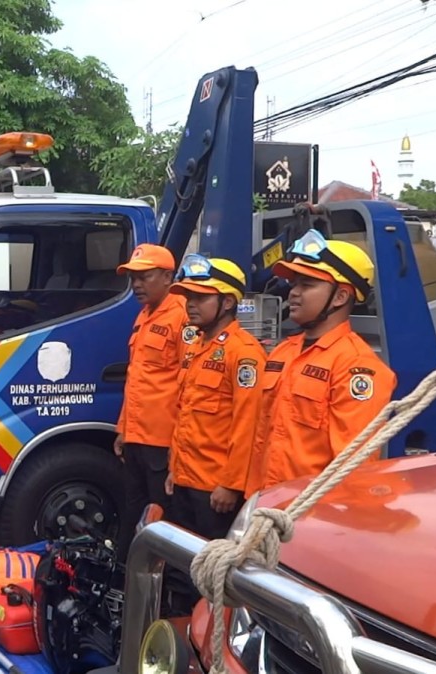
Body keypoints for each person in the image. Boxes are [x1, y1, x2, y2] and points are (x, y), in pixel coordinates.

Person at [246, 230, 397, 496]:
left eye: (307, 284)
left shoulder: (356, 365)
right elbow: (261, 439)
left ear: (340, 297)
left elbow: (352, 465)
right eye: (294, 284)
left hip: (310, 516)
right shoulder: (283, 352)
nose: (293, 293)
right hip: (265, 505)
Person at [161, 256, 266, 615]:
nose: (190, 303)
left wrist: (231, 484)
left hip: (214, 490)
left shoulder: (244, 352)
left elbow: (247, 423)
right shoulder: (195, 348)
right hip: (187, 479)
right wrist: (175, 468)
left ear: (227, 302)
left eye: (201, 296)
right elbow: (185, 415)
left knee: (212, 575)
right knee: (182, 569)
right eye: (187, 296)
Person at [113, 244, 192, 549]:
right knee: (134, 514)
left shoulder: (182, 317)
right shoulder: (144, 316)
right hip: (137, 438)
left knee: (163, 521)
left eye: (145, 277)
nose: (137, 285)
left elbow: (189, 385)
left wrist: (179, 445)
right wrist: (123, 428)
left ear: (168, 276)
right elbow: (136, 378)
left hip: (162, 442)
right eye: (133, 278)